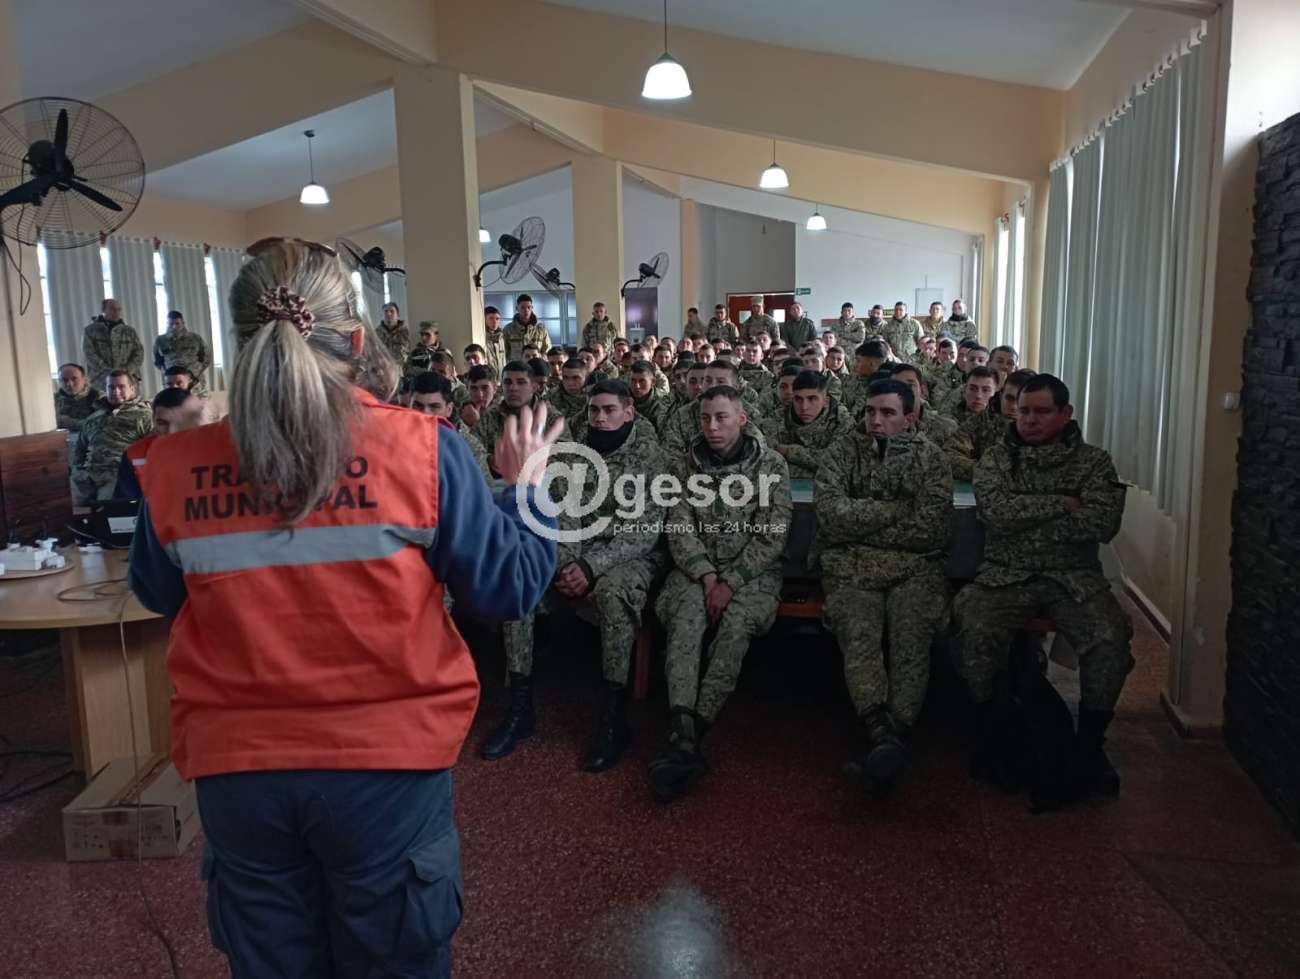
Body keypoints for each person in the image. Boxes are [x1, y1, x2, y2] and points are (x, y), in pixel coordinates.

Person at [127, 238, 562, 978]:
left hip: (240, 773)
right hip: (384, 772)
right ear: (358, 343)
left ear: (237, 342)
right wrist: (527, 491)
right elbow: (509, 588)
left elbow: (157, 592)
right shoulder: (423, 450)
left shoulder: (172, 465)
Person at [954, 373, 1133, 805]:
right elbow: (996, 514)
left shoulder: (1093, 463)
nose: (1029, 420)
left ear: (1065, 413)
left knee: (1109, 639)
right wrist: (1062, 503)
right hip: (1005, 574)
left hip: (1072, 576)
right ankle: (994, 730)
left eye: (1041, 412)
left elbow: (1102, 523)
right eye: (1023, 411)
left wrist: (1027, 517)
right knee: (972, 628)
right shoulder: (998, 458)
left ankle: (1088, 744)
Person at [487, 380, 667, 771]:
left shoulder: (651, 458)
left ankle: (613, 719)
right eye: (594, 410)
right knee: (523, 581)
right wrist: (566, 564)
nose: (600, 418)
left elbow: (643, 532)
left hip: (630, 556)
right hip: (576, 553)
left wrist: (590, 567)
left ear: (629, 411)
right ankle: (519, 708)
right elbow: (563, 514)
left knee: (614, 593)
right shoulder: (574, 454)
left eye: (609, 410)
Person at [649, 385, 791, 800]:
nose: (711, 426)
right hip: (695, 571)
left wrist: (732, 580)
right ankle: (681, 727)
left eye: (721, 417)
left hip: (753, 573)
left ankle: (693, 733)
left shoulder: (771, 465)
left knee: (736, 627)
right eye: (705, 418)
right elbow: (679, 528)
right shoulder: (684, 466)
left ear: (741, 419)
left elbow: (772, 534)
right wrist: (708, 576)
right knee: (685, 622)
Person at [817, 377, 953, 793]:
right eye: (870, 411)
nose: (875, 420)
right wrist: (896, 510)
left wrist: (862, 524)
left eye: (888, 413)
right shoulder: (842, 451)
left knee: (912, 632)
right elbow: (831, 516)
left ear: (909, 418)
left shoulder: (931, 459)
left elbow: (931, 530)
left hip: (915, 569)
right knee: (859, 632)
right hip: (851, 568)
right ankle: (880, 729)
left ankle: (896, 730)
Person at [72, 369, 152, 504]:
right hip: (88, 476)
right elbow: (79, 450)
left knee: (105, 504)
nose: (116, 391)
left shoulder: (145, 416)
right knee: (64, 500)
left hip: (120, 476)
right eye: (111, 387)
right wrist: (78, 471)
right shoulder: (94, 417)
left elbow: (152, 450)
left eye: (121, 387)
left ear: (132, 388)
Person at [113, 386, 206, 500]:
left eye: (178, 423)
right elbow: (126, 503)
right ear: (153, 420)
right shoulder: (135, 454)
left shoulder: (210, 451)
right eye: (162, 423)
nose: (170, 431)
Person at [475, 360, 568, 467]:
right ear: (501, 387)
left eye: (521, 382)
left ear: (534, 387)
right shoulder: (490, 416)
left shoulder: (552, 418)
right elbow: (471, 450)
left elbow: (566, 458)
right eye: (508, 382)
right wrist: (491, 460)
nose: (513, 388)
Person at [765, 370, 852, 479]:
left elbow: (836, 464)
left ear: (825, 401)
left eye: (812, 399)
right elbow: (768, 463)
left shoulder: (842, 421)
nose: (804, 407)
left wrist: (788, 451)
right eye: (798, 399)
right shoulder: (779, 417)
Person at [408, 371, 491, 481]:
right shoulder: (397, 440)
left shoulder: (469, 448)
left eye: (434, 407)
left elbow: (484, 488)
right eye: (417, 406)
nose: (425, 414)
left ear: (449, 410)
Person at [947, 366, 1005, 480]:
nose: (978, 395)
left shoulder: (1000, 422)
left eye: (986, 390)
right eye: (973, 389)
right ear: (965, 390)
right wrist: (987, 471)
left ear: (996, 393)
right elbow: (949, 456)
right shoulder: (948, 417)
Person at [83, 298, 143, 388]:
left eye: (119, 309)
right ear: (103, 310)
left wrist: (126, 370)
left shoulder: (129, 331)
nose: (116, 312)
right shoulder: (91, 330)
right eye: (112, 309)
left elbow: (139, 352)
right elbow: (89, 353)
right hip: (100, 379)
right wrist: (108, 371)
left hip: (128, 377)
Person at [153, 310, 210, 394]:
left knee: (196, 402)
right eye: (171, 324)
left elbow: (206, 358)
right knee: (174, 402)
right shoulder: (161, 340)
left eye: (177, 324)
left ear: (183, 323)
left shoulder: (195, 338)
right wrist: (168, 373)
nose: (174, 327)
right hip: (172, 383)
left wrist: (192, 373)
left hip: (194, 381)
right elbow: (158, 361)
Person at [841, 340, 889, 417]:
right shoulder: (851, 379)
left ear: (872, 364)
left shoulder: (883, 388)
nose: (855, 364)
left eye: (858, 361)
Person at [627, 359, 673, 433]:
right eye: (633, 380)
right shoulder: (622, 399)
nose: (637, 386)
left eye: (642, 381)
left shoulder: (664, 402)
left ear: (653, 382)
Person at [54, 362, 101, 433]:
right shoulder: (53, 399)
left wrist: (70, 423)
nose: (69, 384)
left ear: (84, 379)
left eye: (74, 379)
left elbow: (100, 424)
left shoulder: (98, 397)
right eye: (64, 380)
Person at [545, 357, 591, 429]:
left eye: (576, 378)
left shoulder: (593, 398)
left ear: (586, 377)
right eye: (565, 377)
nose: (570, 383)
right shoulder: (550, 397)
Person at [458, 364, 499, 430]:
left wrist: (476, 425)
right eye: (474, 388)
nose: (480, 395)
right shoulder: (462, 412)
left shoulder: (506, 413)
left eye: (485, 388)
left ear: (494, 388)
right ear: (467, 389)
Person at [482, 306, 507, 374]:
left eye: (497, 319)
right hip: (488, 376)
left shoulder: (502, 337)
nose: (495, 321)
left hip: (502, 375)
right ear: (484, 319)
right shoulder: (482, 337)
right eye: (491, 318)